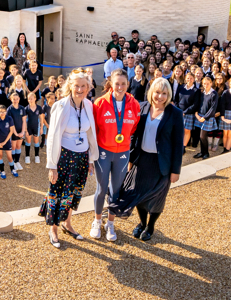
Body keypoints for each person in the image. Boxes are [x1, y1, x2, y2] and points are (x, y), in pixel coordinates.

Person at [108, 77, 184, 242]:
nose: (160, 97)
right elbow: (134, 134)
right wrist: (129, 159)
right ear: (152, 92)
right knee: (139, 195)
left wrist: (175, 171)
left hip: (161, 164)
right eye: (157, 92)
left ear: (168, 94)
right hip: (141, 160)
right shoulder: (142, 107)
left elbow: (178, 145)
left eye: (164, 93)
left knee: (156, 198)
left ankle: (150, 226)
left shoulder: (175, 114)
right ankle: (142, 223)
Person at [42, 70, 98, 249]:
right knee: (58, 193)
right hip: (64, 157)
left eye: (83, 86)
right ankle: (54, 229)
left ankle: (68, 223)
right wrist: (52, 166)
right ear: (70, 86)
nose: (80, 89)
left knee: (73, 192)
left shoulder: (89, 105)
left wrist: (91, 159)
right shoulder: (61, 106)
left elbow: (90, 133)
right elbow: (53, 136)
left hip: (81, 157)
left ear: (88, 87)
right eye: (77, 86)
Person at [91, 69, 141, 242]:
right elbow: (94, 130)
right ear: (111, 83)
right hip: (103, 152)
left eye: (123, 84)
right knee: (101, 189)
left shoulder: (134, 104)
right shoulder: (100, 103)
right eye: (117, 83)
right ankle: (97, 220)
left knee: (116, 190)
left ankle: (110, 224)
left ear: (128, 84)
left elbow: (133, 127)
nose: (120, 87)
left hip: (122, 153)